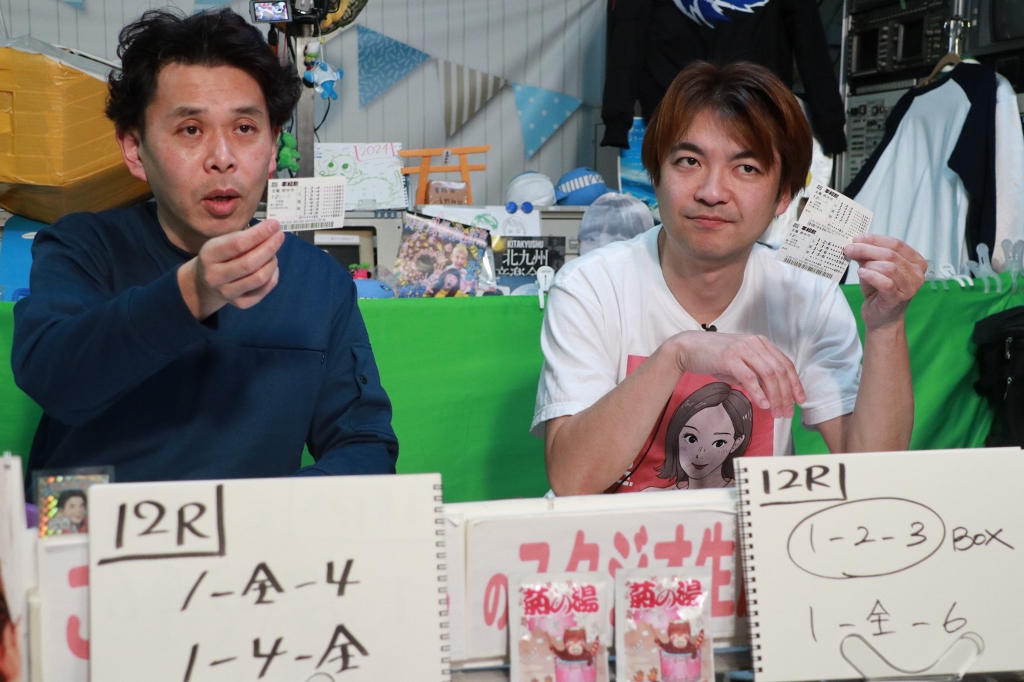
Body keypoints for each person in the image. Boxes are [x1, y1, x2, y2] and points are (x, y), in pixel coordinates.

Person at [11, 8, 398, 482]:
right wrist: (191, 293)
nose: (222, 158)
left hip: (258, 529)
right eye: (191, 130)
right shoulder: (83, 247)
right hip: (98, 527)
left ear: (273, 147)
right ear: (134, 148)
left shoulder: (319, 282)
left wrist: (276, 508)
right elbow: (55, 381)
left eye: (245, 128)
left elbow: (364, 444)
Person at [533, 61, 926, 496]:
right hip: (616, 538)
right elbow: (572, 481)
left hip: (750, 536)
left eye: (746, 168)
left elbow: (872, 473)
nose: (712, 192)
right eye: (689, 161)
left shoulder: (808, 294)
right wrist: (677, 354)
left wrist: (887, 327)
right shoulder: (591, 286)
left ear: (783, 196)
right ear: (656, 176)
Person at [652, 382, 752, 491]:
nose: (700, 454)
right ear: (677, 433)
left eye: (719, 443)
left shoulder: (748, 493)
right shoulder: (654, 495)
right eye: (691, 439)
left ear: (737, 443)